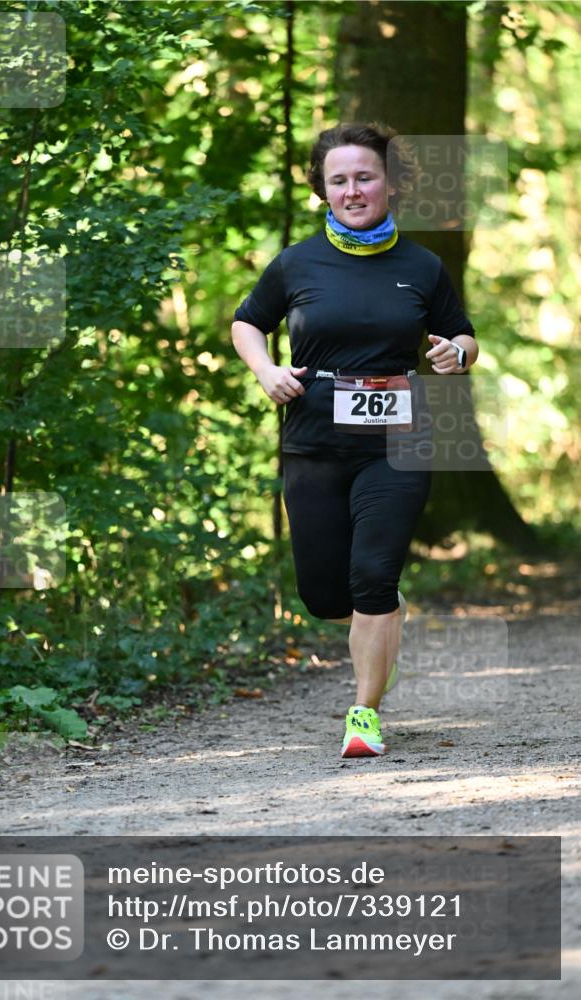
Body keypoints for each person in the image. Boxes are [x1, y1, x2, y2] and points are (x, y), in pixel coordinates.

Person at [231, 122, 478, 758]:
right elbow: (247, 324)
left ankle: (363, 713)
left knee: (371, 575)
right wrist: (267, 372)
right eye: (338, 180)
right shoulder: (296, 262)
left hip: (398, 442)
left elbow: (462, 334)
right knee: (323, 594)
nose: (352, 190)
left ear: (390, 183)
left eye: (364, 177)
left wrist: (456, 353)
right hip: (313, 441)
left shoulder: (422, 265)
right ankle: (384, 615)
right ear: (322, 189)